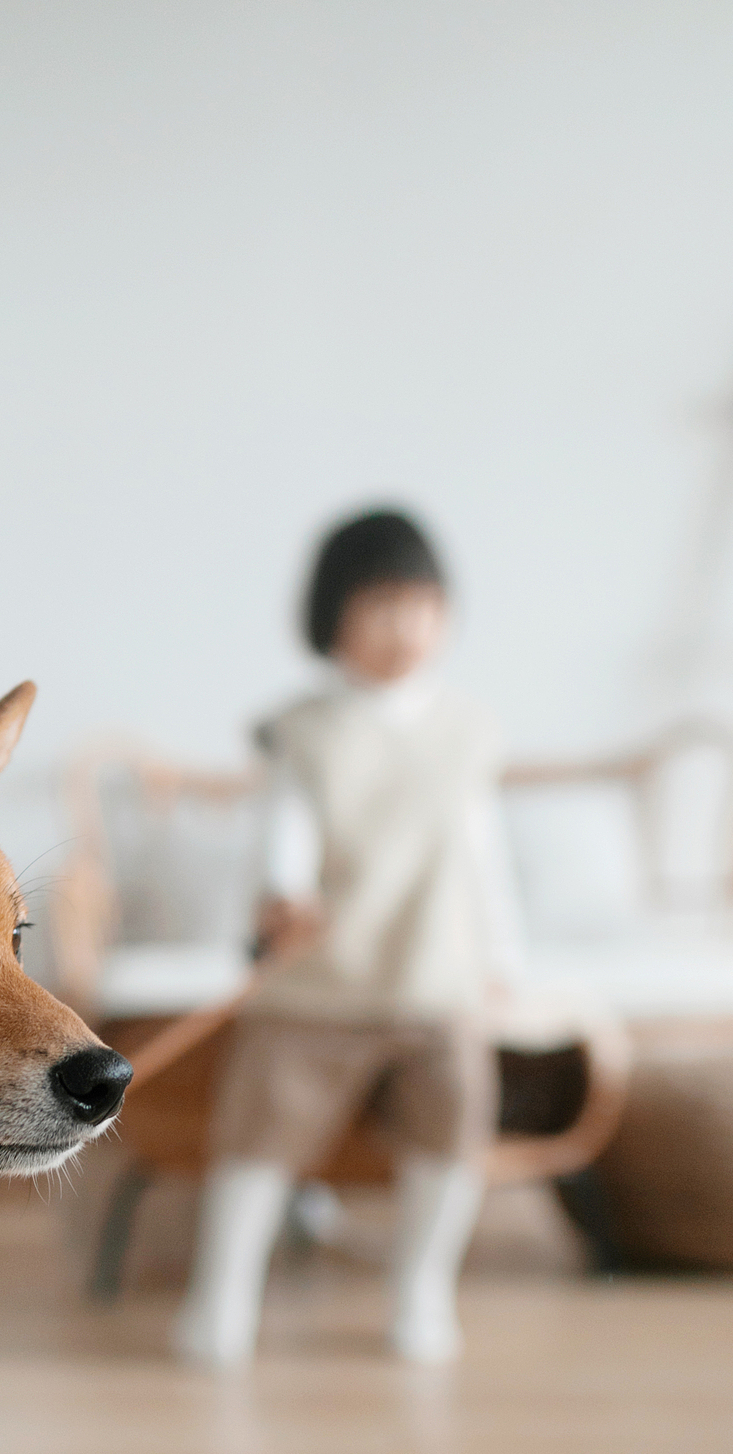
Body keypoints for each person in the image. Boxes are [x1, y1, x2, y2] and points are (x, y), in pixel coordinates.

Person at [172, 508, 522, 1367]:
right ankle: (223, 1296)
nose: (406, 628)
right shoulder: (305, 730)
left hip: (434, 979)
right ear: (333, 614)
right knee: (257, 1139)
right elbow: (283, 834)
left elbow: (484, 857)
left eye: (424, 606)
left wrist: (504, 957)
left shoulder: (468, 731)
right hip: (318, 979)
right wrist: (283, 897)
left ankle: (422, 1290)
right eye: (382, 606)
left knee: (453, 1133)